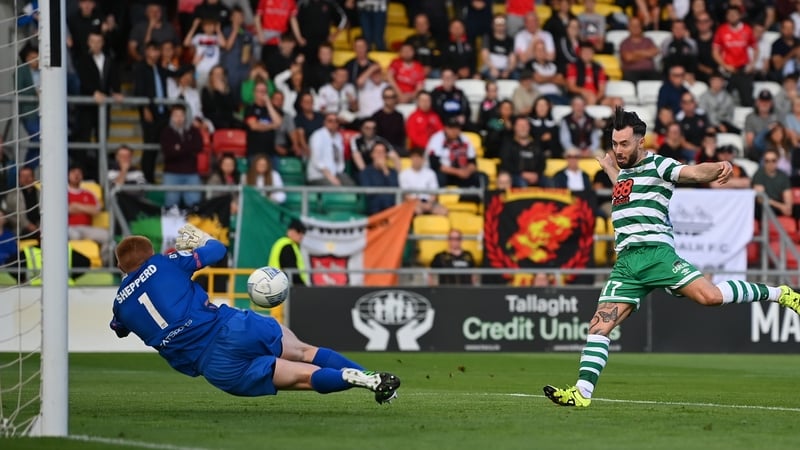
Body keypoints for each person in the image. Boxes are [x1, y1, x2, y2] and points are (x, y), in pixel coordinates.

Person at [542, 107, 800, 408]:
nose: (618, 149)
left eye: (624, 143)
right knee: (598, 326)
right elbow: (627, 188)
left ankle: (782, 294)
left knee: (711, 297)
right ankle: (582, 393)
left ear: (641, 142)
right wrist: (609, 169)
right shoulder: (624, 173)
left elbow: (691, 172)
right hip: (627, 264)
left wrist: (718, 166)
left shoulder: (658, 165)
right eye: (614, 143)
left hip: (657, 255)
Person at [110, 227, 400, 403]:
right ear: (150, 254)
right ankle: (368, 377)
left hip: (214, 366)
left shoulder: (119, 306)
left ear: (123, 268)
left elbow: (119, 328)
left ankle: (352, 378)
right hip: (231, 327)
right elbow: (217, 250)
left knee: (307, 378)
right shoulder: (164, 263)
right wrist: (202, 238)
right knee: (304, 352)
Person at [399, 148, 448, 216]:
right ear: (411, 158)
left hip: (429, 202)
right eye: (415, 157)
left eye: (419, 157)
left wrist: (429, 204)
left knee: (444, 211)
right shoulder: (404, 174)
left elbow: (434, 193)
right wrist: (420, 205)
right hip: (412, 203)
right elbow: (406, 196)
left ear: (423, 159)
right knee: (417, 210)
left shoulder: (430, 173)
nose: (417, 160)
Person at [268, 218, 309, 286]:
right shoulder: (287, 246)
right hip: (286, 288)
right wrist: (302, 287)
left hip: (277, 286)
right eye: (299, 231)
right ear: (290, 231)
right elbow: (291, 271)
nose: (301, 235)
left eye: (303, 232)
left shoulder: (283, 244)